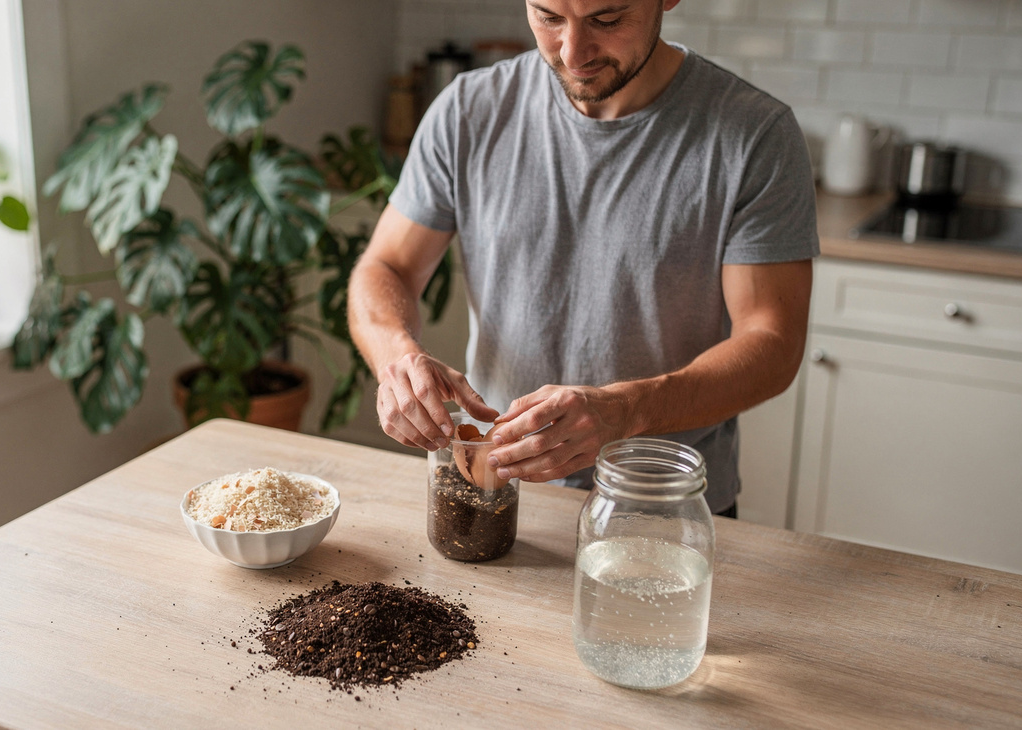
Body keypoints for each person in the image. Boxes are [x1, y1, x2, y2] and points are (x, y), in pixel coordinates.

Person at [347, 0, 818, 516]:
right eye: (549, 17)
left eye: (607, 19)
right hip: (499, 493)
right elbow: (385, 267)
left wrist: (626, 411)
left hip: (664, 504)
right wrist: (396, 358)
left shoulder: (755, 134)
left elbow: (771, 343)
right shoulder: (468, 110)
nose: (573, 53)